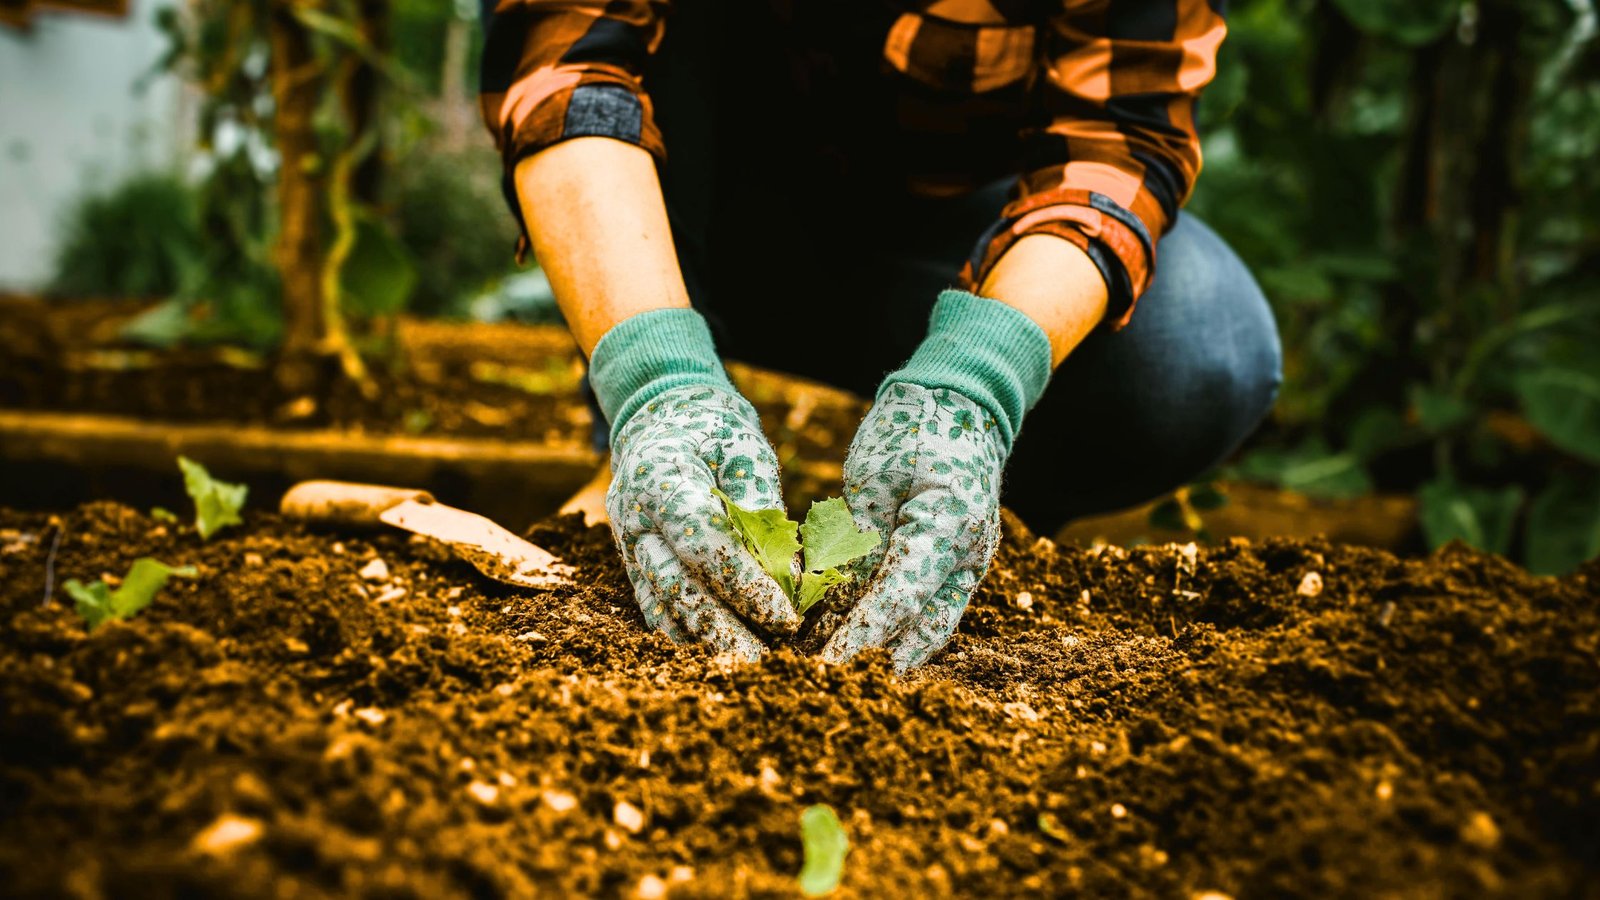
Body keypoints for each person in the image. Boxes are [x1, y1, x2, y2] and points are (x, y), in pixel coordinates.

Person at [477, 0, 1282, 670]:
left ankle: (955, 518)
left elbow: (1120, 140)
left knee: (1197, 345)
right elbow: (566, 64)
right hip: (683, 229)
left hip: (949, 251)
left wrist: (974, 381)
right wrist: (654, 384)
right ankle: (639, 452)